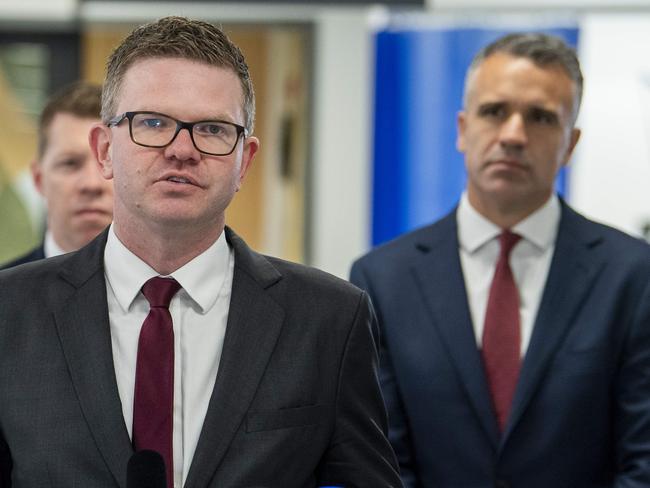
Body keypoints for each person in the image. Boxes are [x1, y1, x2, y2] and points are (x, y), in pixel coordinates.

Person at [0, 16, 401, 488]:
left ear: (244, 161)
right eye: (152, 123)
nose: (182, 149)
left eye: (212, 129)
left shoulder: (329, 318)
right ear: (105, 149)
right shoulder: (11, 310)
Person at [351, 33, 650, 487]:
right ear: (462, 129)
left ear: (570, 144)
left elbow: (643, 462)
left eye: (541, 117)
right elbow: (382, 463)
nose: (513, 135)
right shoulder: (382, 279)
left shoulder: (634, 276)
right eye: (494, 112)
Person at [1, 81, 113, 268]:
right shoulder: (4, 292)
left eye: (107, 162)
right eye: (70, 163)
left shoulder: (165, 292)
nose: (92, 184)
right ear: (39, 180)